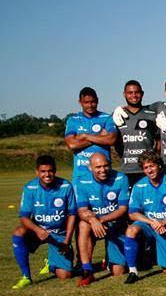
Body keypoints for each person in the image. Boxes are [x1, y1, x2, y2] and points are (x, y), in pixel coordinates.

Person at [10, 155, 76, 289]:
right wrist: (38, 230)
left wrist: (67, 240)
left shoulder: (66, 186)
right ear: (37, 172)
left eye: (50, 171)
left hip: (59, 234)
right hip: (38, 231)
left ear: (55, 170)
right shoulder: (30, 188)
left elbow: (72, 215)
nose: (47, 174)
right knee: (18, 232)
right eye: (43, 171)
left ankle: (51, 263)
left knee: (65, 276)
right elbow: (24, 217)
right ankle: (26, 277)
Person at [122, 151, 166, 284]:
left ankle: (156, 255)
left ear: (159, 165)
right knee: (131, 230)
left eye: (152, 166)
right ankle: (133, 271)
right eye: (146, 168)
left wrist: (165, 221)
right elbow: (132, 213)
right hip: (149, 225)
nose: (149, 170)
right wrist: (152, 222)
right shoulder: (139, 186)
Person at [75, 153, 129, 285]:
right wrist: (93, 220)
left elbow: (123, 209)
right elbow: (82, 211)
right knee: (83, 224)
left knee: (118, 272)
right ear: (90, 168)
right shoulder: (82, 181)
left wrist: (101, 220)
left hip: (116, 225)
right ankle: (87, 270)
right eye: (98, 167)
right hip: (95, 225)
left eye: (106, 166)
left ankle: (110, 260)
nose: (103, 170)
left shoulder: (121, 178)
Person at [111, 80, 159, 185]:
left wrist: (153, 156)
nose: (134, 95)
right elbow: (114, 141)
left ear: (142, 93)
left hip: (147, 170)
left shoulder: (151, 115)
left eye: (137, 92)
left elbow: (159, 140)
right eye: (130, 93)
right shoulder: (117, 115)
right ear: (124, 94)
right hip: (127, 169)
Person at [65, 87, 117, 182]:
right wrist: (100, 137)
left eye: (93, 102)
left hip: (103, 172)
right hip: (81, 174)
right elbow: (72, 145)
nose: (90, 105)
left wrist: (85, 136)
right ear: (80, 102)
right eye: (86, 102)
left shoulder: (107, 118)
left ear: (97, 100)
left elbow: (111, 140)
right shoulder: (73, 120)